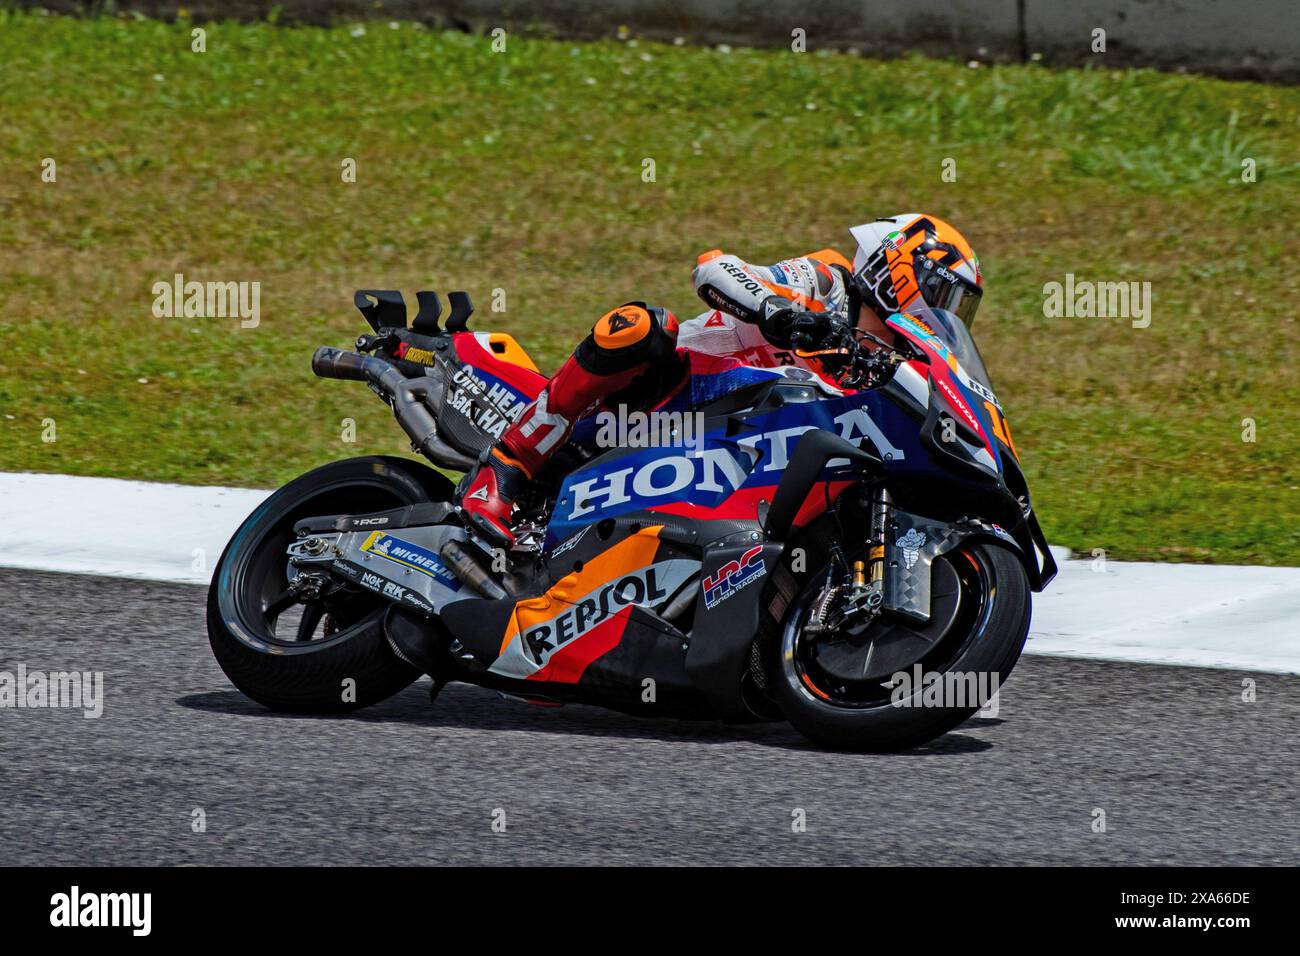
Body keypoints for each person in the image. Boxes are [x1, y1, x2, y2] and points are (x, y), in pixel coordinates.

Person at [459, 213, 983, 547]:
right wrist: (778, 311)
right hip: (661, 401)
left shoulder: (884, 369)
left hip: (730, 465)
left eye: (957, 308)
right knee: (643, 325)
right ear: (897, 272)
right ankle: (508, 465)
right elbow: (715, 268)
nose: (944, 313)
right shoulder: (828, 283)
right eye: (941, 296)